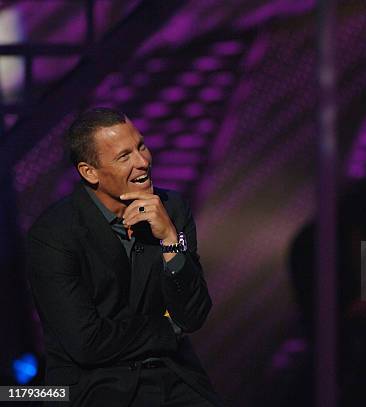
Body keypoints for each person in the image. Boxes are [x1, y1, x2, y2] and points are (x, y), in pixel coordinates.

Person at [27, 107, 222, 406]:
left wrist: (170, 240)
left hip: (172, 377)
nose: (143, 162)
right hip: (93, 387)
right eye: (124, 156)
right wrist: (168, 328)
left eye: (141, 146)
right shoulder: (54, 234)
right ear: (89, 172)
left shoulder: (172, 210)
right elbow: (87, 343)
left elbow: (193, 315)